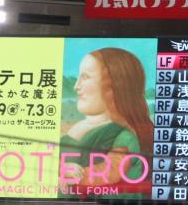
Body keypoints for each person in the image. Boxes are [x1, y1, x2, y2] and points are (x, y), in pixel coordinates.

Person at [60, 47, 153, 192]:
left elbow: (111, 171)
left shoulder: (126, 136)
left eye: (85, 77)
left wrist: (73, 176)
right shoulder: (80, 128)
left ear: (114, 86)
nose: (76, 86)